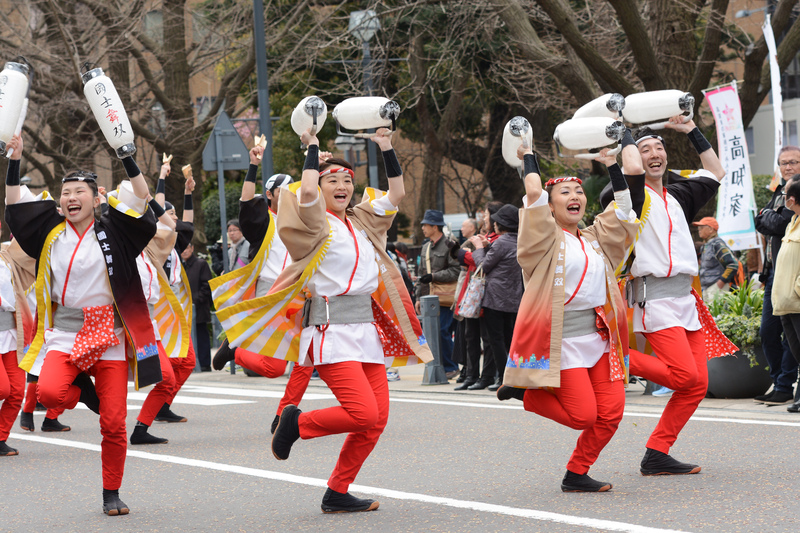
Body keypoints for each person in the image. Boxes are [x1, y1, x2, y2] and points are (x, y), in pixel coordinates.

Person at [267, 126, 432, 513]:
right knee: (362, 411)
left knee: (375, 421)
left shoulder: (361, 221)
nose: (341, 186)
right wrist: (310, 149)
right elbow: (305, 193)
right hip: (330, 330)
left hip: (365, 331)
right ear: (322, 186)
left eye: (347, 180)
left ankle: (337, 492)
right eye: (333, 180)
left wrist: (387, 147)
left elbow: (397, 195)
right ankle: (296, 425)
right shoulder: (313, 223)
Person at [5, 133, 158, 515]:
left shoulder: (116, 232)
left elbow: (143, 200)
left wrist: (128, 156)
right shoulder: (49, 233)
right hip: (65, 334)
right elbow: (14, 204)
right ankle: (86, 391)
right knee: (49, 396)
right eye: (65, 192)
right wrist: (15, 159)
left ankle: (111, 492)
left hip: (109, 334)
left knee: (114, 424)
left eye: (78, 192)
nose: (71, 198)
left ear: (96, 197)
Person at [497, 142, 639, 492]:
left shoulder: (592, 239)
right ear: (551, 203)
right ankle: (527, 393)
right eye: (565, 191)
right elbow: (532, 193)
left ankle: (577, 473)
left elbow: (624, 211)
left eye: (578, 190)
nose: (575, 195)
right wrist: (527, 154)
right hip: (562, 341)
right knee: (583, 416)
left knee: (611, 413)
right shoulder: (542, 240)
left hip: (599, 337)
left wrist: (612, 165)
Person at [625, 118, 733, 476]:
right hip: (653, 298)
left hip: (687, 300)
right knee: (684, 377)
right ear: (634, 160)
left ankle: (657, 452)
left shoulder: (680, 194)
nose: (655, 154)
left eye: (659, 148)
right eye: (645, 150)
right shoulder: (625, 197)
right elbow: (628, 180)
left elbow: (716, 170)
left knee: (697, 385)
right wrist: (623, 138)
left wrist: (690, 130)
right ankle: (613, 357)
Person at [210, 145, 313, 433]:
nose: (291, 193)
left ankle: (283, 417)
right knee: (274, 368)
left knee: (306, 359)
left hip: (302, 295)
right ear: (270, 195)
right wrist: (253, 166)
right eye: (284, 190)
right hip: (271, 295)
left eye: (293, 188)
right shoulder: (265, 221)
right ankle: (236, 349)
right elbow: (246, 204)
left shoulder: (304, 220)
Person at [754, 146, 800, 408]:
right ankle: (780, 383)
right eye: (783, 163)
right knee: (768, 332)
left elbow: (780, 225)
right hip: (774, 275)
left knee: (792, 334)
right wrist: (768, 216)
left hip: (793, 275)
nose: (788, 167)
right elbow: (761, 221)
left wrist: (768, 217)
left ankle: (786, 385)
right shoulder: (778, 193)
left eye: (793, 162)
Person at [469, 205, 524, 391]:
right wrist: (488, 246)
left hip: (495, 299)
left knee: (496, 341)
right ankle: (514, 377)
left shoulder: (501, 242)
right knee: (510, 339)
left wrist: (478, 248)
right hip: (515, 298)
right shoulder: (521, 240)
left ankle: (504, 379)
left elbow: (483, 267)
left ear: (500, 225)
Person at [415, 209, 461, 378]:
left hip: (446, 297)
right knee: (431, 333)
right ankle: (441, 366)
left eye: (425, 225)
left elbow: (457, 270)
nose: (423, 228)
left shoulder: (450, 245)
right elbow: (421, 275)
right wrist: (419, 298)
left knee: (442, 331)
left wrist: (434, 276)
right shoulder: (425, 247)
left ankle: (451, 367)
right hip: (429, 298)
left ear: (435, 227)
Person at [769, 176, 800, 410]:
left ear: (791, 199)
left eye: (785, 195)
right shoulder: (793, 222)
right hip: (785, 302)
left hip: (797, 300)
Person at [180, 242, 213, 371]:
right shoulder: (181, 266)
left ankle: (204, 364)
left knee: (201, 335)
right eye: (182, 249)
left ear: (192, 248)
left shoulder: (201, 264)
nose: (185, 251)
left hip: (199, 307)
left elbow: (207, 285)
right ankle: (192, 363)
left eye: (187, 248)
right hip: (186, 308)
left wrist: (196, 299)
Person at [693, 216, 738, 301]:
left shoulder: (717, 244)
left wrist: (721, 282)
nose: (699, 229)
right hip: (707, 288)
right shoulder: (705, 246)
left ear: (711, 229)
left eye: (702, 227)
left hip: (716, 287)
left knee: (717, 314)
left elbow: (733, 264)